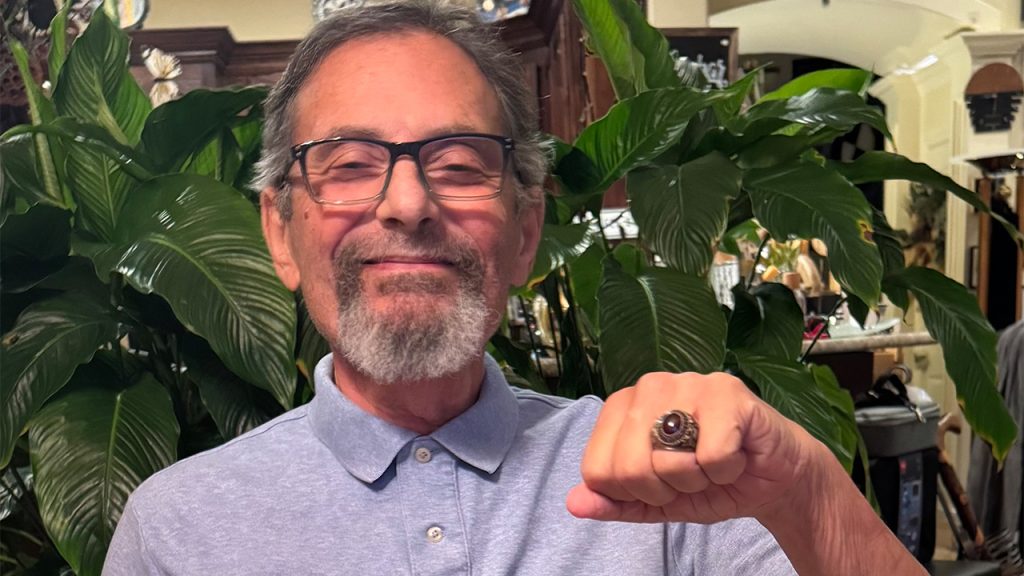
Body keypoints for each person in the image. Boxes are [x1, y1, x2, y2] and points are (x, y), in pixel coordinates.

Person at [103, 2, 926, 574]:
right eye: (350, 166)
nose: (408, 204)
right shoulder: (178, 528)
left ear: (527, 229)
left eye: (459, 165)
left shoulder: (667, 482)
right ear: (280, 231)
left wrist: (808, 497)